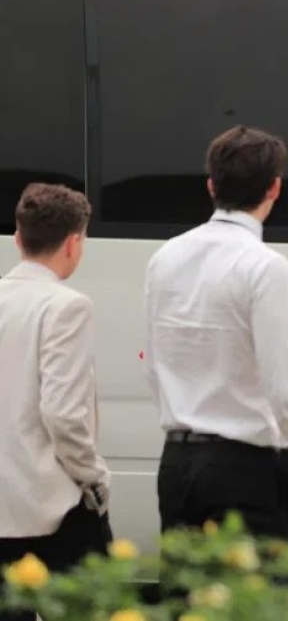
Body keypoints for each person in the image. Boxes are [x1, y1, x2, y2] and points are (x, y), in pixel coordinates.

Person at [143, 126, 288, 544]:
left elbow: (156, 366)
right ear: (275, 188)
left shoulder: (164, 258)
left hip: (175, 463)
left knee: (187, 602)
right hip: (243, 469)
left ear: (211, 185)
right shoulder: (265, 266)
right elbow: (283, 379)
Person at [0, 184, 112, 621]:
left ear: (17, 238)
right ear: (73, 242)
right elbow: (64, 414)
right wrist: (94, 478)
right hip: (51, 507)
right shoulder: (67, 307)